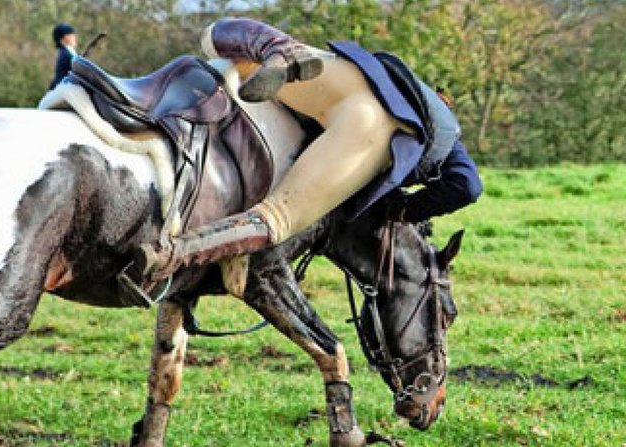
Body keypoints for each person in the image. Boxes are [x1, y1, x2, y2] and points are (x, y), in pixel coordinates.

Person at [130, 17, 483, 289]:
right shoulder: (447, 139)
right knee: (277, 218)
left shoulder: (402, 83)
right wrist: (403, 208)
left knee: (215, 38)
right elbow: (467, 186)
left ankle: (279, 50)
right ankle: (171, 254)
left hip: (354, 75)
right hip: (371, 127)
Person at [49, 23, 78, 91]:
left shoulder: (67, 52)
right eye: (70, 35)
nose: (74, 37)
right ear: (62, 39)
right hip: (63, 89)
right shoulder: (66, 54)